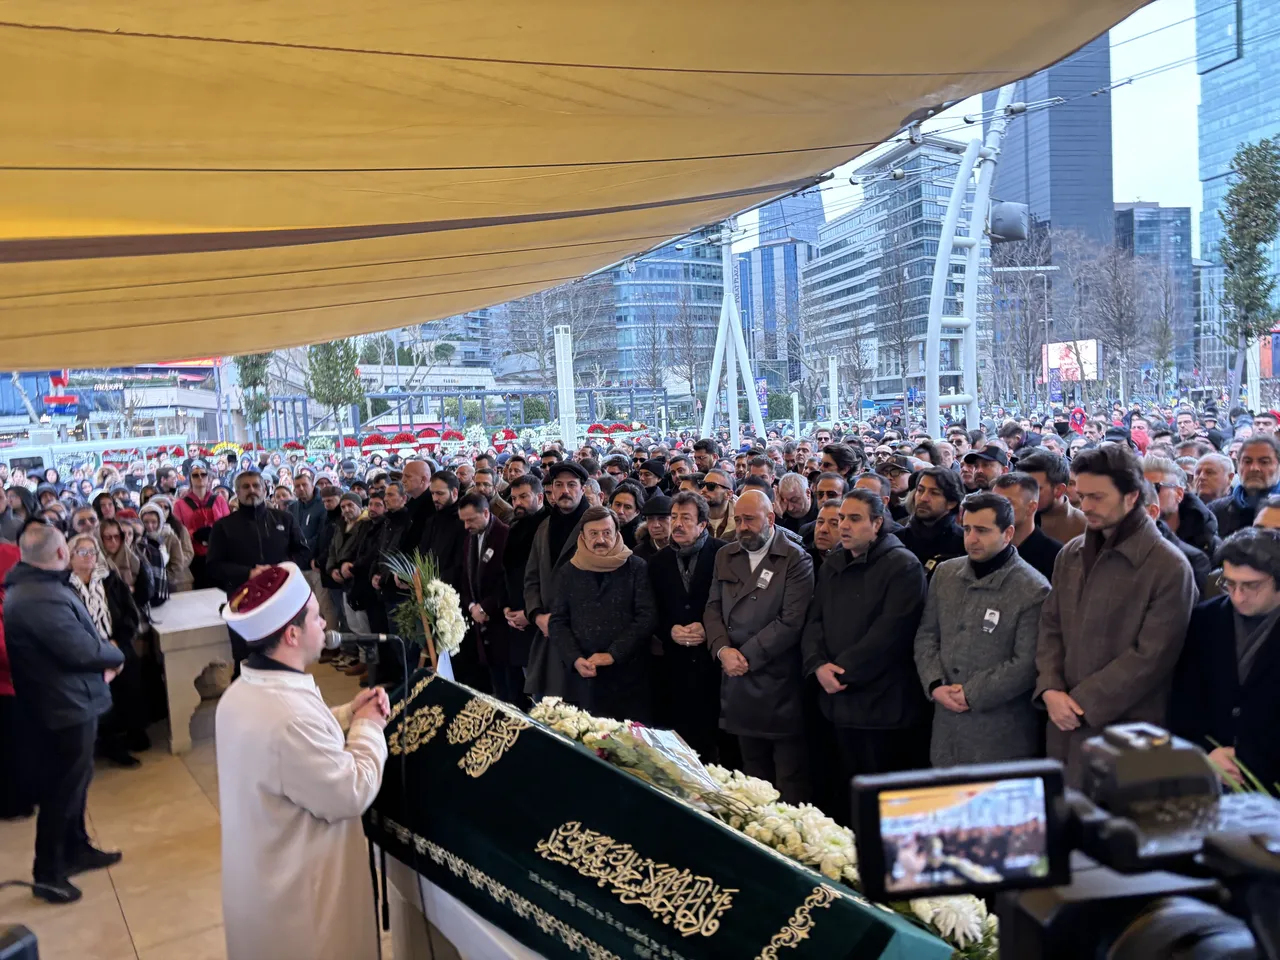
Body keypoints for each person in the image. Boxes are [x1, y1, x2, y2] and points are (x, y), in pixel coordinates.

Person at [215, 563, 389, 960]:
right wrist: (367, 728)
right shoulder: (289, 720)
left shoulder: (242, 692)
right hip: (302, 903)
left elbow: (294, 750)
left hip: (262, 885)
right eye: (316, 615)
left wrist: (345, 714)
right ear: (292, 634)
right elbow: (350, 791)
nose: (325, 622)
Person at [1033, 444, 1196, 787]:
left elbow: (1151, 657)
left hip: (1128, 730)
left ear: (1131, 497)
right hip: (1062, 721)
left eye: (1097, 497)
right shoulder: (1071, 554)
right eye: (1082, 495)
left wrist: (1078, 702)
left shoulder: (1168, 566)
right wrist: (1049, 687)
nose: (1085, 505)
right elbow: (1050, 626)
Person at [4, 524, 126, 903]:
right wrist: (115, 654)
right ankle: (49, 872)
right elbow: (81, 651)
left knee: (76, 781)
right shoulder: (39, 596)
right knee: (61, 790)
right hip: (62, 706)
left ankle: (75, 849)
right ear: (60, 555)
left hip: (69, 700)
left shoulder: (34, 587)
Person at [914, 493, 1049, 765]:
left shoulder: (1033, 588)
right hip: (946, 725)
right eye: (966, 529)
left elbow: (1025, 663)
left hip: (1000, 733)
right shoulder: (945, 574)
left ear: (1008, 533)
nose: (971, 538)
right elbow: (927, 634)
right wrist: (935, 683)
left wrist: (971, 694)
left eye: (982, 531)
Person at [802, 489, 929, 781]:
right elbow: (814, 621)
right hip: (832, 701)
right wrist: (817, 664)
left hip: (880, 708)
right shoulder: (834, 561)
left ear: (877, 523)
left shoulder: (902, 565)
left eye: (854, 519)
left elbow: (890, 635)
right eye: (842, 517)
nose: (844, 525)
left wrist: (840, 673)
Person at [705, 489, 815, 802]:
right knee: (753, 778)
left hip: (778, 682)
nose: (742, 527)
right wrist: (722, 650)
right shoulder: (725, 555)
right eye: (738, 520)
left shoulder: (795, 557)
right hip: (737, 681)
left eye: (749, 519)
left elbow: (791, 621)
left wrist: (744, 656)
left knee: (789, 780)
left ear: (770, 518)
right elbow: (712, 607)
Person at [1170, 527, 1280, 794]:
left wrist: (1249, 758)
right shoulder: (1205, 620)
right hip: (1209, 772)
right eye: (1229, 583)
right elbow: (1183, 700)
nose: (1238, 596)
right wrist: (1206, 752)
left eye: (1251, 585)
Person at [549, 506, 656, 722]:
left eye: (607, 533)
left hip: (629, 676)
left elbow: (646, 617)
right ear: (583, 537)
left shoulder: (635, 566)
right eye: (594, 534)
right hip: (583, 675)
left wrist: (613, 653)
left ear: (617, 533)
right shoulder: (568, 571)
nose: (601, 539)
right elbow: (558, 621)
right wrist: (575, 658)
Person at [648, 492, 726, 759]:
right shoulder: (658, 561)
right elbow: (651, 608)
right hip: (674, 664)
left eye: (686, 518)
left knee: (714, 742)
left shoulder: (722, 553)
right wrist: (669, 630)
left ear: (702, 524)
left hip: (712, 664)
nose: (678, 524)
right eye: (674, 517)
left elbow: (731, 604)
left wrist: (710, 628)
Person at [205, 470, 311, 664]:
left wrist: (279, 572)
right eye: (245, 487)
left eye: (256, 485)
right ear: (237, 492)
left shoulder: (284, 519)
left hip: (282, 599)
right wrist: (249, 573)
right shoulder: (223, 526)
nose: (251, 490)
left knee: (284, 655)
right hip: (243, 601)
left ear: (265, 489)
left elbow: (303, 553)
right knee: (246, 660)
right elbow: (214, 566)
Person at [523, 461, 591, 701]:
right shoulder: (545, 526)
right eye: (558, 485)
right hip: (548, 631)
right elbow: (531, 577)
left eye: (572, 485)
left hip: (584, 634)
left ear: (583, 488)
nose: (565, 491)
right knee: (550, 710)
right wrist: (536, 614)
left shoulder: (597, 525)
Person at [458, 491, 523, 707]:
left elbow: (506, 581)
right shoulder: (470, 538)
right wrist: (471, 606)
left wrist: (485, 607)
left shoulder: (505, 535)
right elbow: (466, 578)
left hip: (502, 623)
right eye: (464, 520)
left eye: (470, 519)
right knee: (497, 688)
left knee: (512, 687)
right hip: (480, 622)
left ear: (486, 512)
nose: (466, 526)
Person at [1143, 454, 1221, 556]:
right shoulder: (1126, 535)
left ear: (1179, 494)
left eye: (1155, 488)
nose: (1147, 496)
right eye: (1141, 489)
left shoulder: (1207, 541)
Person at [895, 467, 965, 579]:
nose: (923, 498)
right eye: (920, 490)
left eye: (934, 493)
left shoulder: (963, 544)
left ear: (952, 503)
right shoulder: (898, 539)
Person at [992, 473, 1062, 582]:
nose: (996, 511)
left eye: (1008, 503)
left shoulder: (1056, 556)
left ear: (1031, 507)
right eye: (994, 503)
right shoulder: (989, 548)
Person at [171, 460, 229, 589]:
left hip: (217, 553)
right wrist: (193, 534)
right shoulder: (180, 504)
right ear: (190, 479)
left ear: (209, 479)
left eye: (203, 474)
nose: (200, 478)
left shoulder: (219, 500)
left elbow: (228, 524)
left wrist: (213, 533)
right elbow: (178, 530)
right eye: (195, 475)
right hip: (194, 555)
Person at [1210, 435, 1280, 537]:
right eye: (1247, 461)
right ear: (1238, 466)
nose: (1254, 468)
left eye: (1264, 462)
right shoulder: (1218, 510)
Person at [1015, 451, 1087, 544]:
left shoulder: (1084, 527)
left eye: (1034, 488)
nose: (1022, 495)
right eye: (1020, 487)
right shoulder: (1011, 517)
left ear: (1059, 490)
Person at [700, 468, 736, 541]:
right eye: (702, 485)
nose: (703, 490)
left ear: (728, 494)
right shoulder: (693, 516)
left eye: (711, 486)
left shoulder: (741, 520)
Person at [633, 494, 673, 560]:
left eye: (662, 518)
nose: (655, 525)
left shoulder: (684, 550)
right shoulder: (638, 553)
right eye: (650, 519)